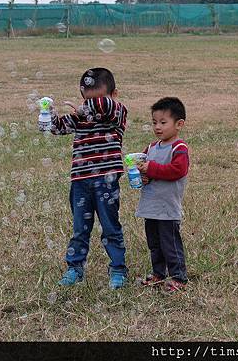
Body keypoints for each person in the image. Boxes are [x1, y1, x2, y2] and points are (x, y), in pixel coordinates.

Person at [51, 68, 129, 290]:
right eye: (86, 99)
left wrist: (86, 107)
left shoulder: (117, 113)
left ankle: (118, 268)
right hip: (80, 182)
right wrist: (48, 115)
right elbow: (58, 128)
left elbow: (105, 107)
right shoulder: (81, 118)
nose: (90, 105)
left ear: (115, 94)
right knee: (79, 229)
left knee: (110, 227)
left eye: (96, 100)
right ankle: (75, 268)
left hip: (106, 180)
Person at [136, 97, 189, 293]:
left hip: (167, 207)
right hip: (150, 206)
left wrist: (151, 169)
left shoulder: (179, 148)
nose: (158, 127)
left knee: (170, 244)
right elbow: (144, 169)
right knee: (154, 244)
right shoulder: (150, 148)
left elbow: (177, 170)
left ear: (179, 124)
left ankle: (178, 276)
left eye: (163, 122)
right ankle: (158, 273)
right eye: (154, 122)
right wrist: (142, 175)